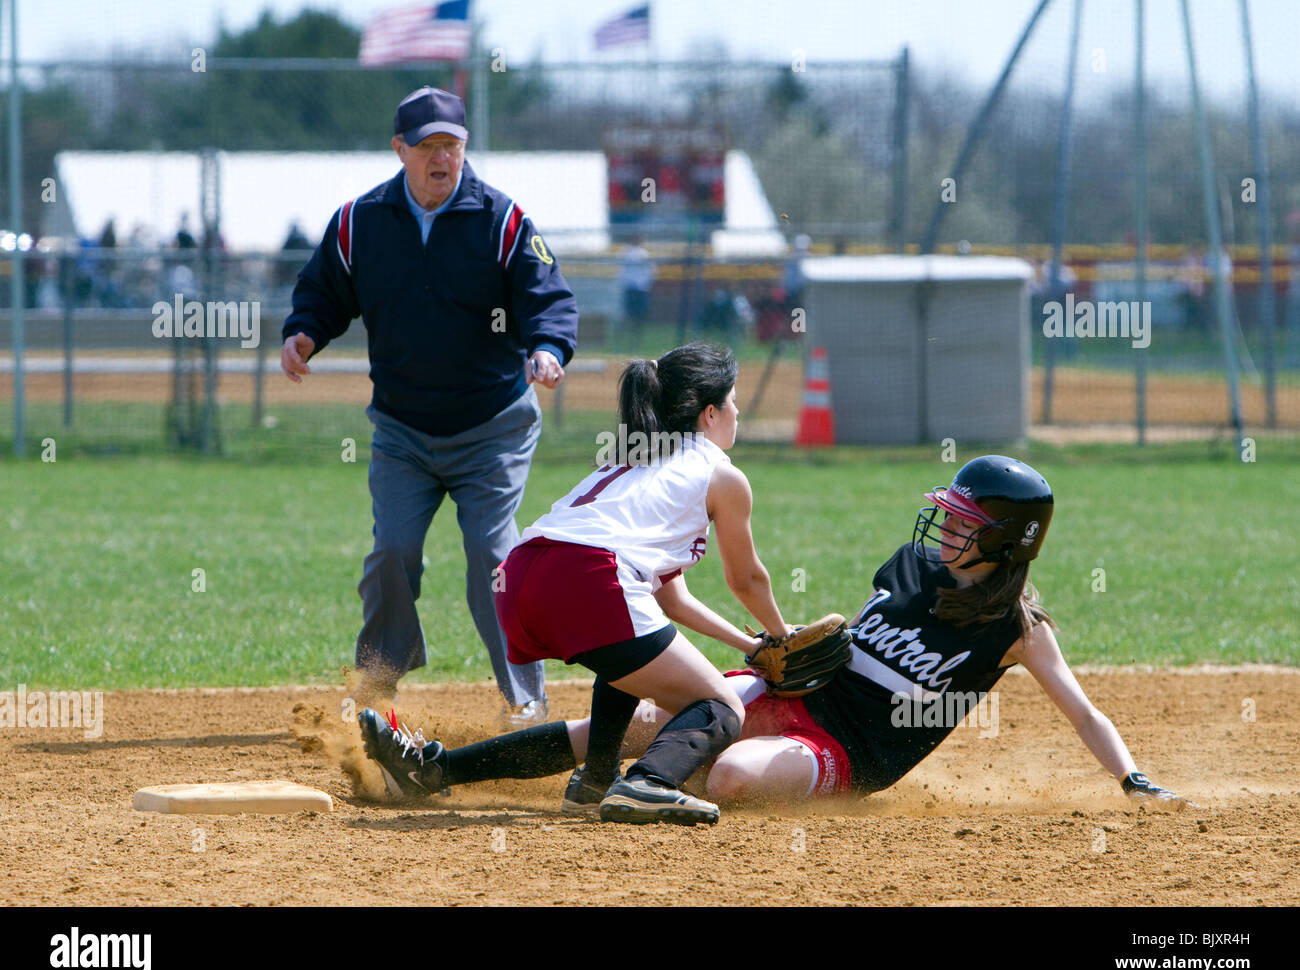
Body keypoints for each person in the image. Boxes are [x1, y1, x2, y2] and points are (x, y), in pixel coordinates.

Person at [359, 455, 1188, 815]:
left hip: (850, 754)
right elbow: (851, 639)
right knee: (651, 723)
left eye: (965, 522)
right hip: (792, 695)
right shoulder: (908, 565)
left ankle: (641, 790)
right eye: (949, 513)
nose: (942, 528)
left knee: (732, 779)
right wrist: (784, 650)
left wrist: (1133, 777)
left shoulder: (1015, 627)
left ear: (1008, 542)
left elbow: (1082, 711)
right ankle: (436, 770)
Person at [359, 342, 794, 825]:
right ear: (709, 413)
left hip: (524, 574)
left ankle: (450, 771)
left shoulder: (636, 458)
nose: (737, 411)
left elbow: (670, 599)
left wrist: (750, 645)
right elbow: (748, 578)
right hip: (589, 579)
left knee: (627, 662)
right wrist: (780, 635)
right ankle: (649, 784)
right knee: (719, 706)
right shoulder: (720, 473)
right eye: (732, 400)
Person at [280, 86, 578, 728]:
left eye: (453, 145)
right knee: (392, 553)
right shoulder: (361, 222)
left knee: (493, 558)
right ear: (400, 150)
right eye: (428, 147)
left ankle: (526, 703)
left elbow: (545, 296)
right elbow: (324, 290)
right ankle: (376, 694)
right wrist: (305, 331)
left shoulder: (501, 219)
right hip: (403, 430)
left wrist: (550, 346)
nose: (443, 158)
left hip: (492, 427)